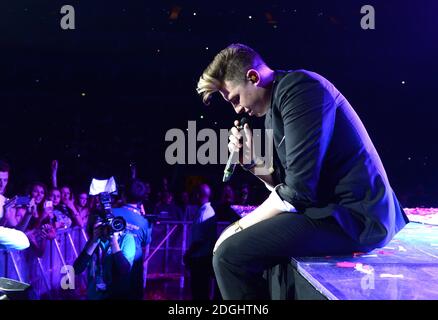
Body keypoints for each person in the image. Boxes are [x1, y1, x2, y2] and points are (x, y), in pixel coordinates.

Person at [196, 43, 409, 299]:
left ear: (253, 77)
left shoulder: (300, 89)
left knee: (229, 255)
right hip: (327, 211)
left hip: (357, 217)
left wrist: (238, 227)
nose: (238, 110)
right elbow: (290, 187)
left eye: (235, 99)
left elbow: (297, 193)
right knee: (241, 252)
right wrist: (255, 165)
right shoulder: (274, 109)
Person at [73, 217, 136, 300]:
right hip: (95, 296)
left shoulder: (126, 239)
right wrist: (94, 242)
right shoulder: (94, 241)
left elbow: (124, 270)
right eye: (101, 226)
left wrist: (113, 240)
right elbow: (77, 269)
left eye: (108, 225)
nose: (106, 229)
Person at [112, 179, 151, 299]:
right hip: (134, 267)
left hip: (113, 263)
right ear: (141, 200)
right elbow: (145, 242)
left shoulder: (112, 212)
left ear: (123, 195)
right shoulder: (144, 221)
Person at [183, 184, 220, 300]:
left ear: (198, 195)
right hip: (202, 257)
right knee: (201, 291)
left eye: (194, 194)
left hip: (200, 259)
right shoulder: (206, 211)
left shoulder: (204, 213)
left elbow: (199, 240)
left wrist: (188, 254)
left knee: (199, 292)